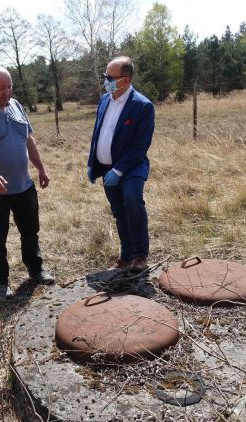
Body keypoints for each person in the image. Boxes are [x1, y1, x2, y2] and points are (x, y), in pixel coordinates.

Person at [0, 66, 54, 298]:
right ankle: (1, 282)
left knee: (30, 231)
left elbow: (28, 140)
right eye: (2, 88)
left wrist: (41, 169)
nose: (8, 92)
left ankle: (36, 270)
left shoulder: (16, 105)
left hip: (24, 186)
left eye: (10, 86)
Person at [87, 56, 155, 272]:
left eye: (110, 77)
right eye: (105, 76)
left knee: (133, 201)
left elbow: (140, 145)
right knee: (118, 211)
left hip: (132, 167)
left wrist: (119, 169)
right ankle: (126, 256)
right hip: (107, 169)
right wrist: (93, 163)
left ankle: (140, 256)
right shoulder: (105, 100)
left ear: (125, 80)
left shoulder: (142, 106)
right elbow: (98, 134)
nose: (106, 80)